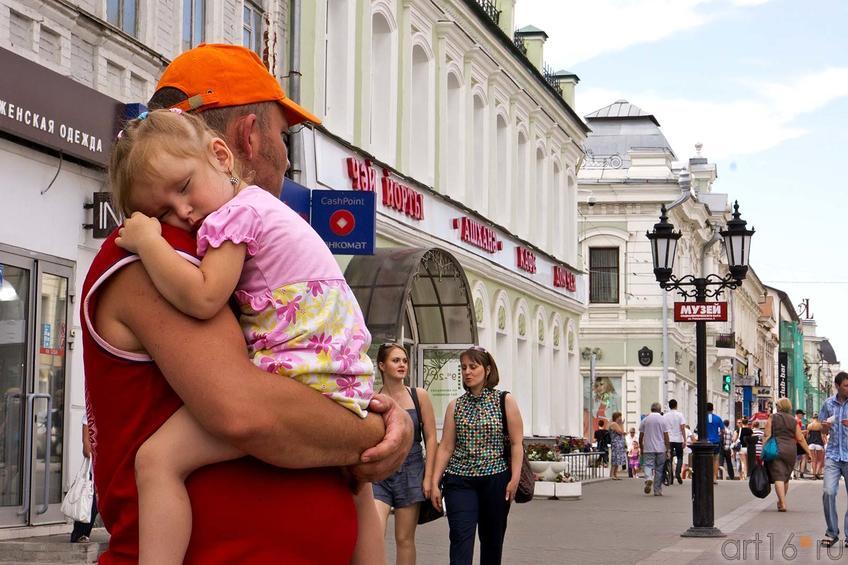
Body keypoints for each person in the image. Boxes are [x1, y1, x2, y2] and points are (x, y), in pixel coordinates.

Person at [82, 43, 413, 564]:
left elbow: (300, 382)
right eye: (283, 136)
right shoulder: (161, 255)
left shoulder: (238, 247)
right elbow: (245, 413)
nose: (285, 155)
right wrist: (372, 432)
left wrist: (387, 425)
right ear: (248, 136)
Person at [430, 347, 524, 565]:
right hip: (459, 481)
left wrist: (515, 479)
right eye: (463, 367)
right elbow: (446, 447)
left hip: (495, 479)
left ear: (487, 369)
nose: (467, 372)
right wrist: (435, 482)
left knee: (492, 542)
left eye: (473, 366)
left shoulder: (504, 400)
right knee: (460, 538)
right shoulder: (456, 405)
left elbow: (518, 443)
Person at [373, 343, 438, 564]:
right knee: (374, 535)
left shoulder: (418, 396)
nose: (402, 365)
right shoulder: (373, 399)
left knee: (404, 538)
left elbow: (431, 438)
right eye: (396, 360)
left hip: (412, 470)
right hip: (380, 474)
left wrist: (429, 478)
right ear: (382, 365)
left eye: (404, 361)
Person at [764, 397, 811, 512]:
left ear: (778, 407)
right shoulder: (793, 420)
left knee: (778, 476)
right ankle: (781, 501)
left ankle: (783, 503)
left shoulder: (773, 417)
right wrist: (808, 452)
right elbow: (800, 438)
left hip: (776, 448)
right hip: (791, 449)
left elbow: (767, 434)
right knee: (785, 477)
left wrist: (764, 448)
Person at [819, 372, 848, 548]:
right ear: (837, 386)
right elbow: (822, 428)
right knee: (828, 492)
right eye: (846, 385)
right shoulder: (828, 403)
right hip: (833, 455)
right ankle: (832, 532)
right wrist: (824, 426)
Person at [69, 420, 98, 543]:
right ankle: (80, 534)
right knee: (90, 500)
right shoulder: (90, 412)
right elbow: (86, 449)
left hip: (112, 463)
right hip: (97, 463)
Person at [638, 402, 670, 496]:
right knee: (659, 469)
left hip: (648, 447)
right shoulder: (663, 420)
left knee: (648, 465)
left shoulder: (645, 419)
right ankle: (657, 490)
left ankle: (648, 478)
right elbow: (666, 436)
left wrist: (641, 446)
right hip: (661, 448)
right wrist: (668, 448)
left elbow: (641, 435)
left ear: (651, 409)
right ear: (659, 410)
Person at [663, 399, 686, 484]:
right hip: (678, 439)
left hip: (669, 439)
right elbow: (682, 428)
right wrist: (684, 439)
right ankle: (677, 472)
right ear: (676, 405)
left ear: (669, 406)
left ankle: (670, 475)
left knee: (669, 457)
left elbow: (663, 428)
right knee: (680, 457)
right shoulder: (680, 415)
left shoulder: (665, 416)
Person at [703, 403, 726, 485]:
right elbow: (723, 431)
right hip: (716, 441)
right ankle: (714, 478)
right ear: (713, 408)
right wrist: (719, 436)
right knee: (716, 459)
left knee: (705, 459)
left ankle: (706, 477)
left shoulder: (702, 418)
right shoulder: (717, 418)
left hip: (706, 442)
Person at [609, 412, 627, 480]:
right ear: (617, 417)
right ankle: (612, 474)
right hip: (616, 444)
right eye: (620, 416)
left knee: (618, 460)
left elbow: (622, 432)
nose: (621, 418)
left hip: (619, 444)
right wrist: (621, 424)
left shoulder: (617, 424)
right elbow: (620, 432)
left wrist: (621, 424)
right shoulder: (614, 424)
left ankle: (615, 474)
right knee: (615, 459)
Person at [807, 415, 825, 480]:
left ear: (813, 418)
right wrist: (825, 443)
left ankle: (814, 475)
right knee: (820, 460)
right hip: (819, 444)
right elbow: (822, 436)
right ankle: (817, 473)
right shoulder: (820, 425)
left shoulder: (809, 425)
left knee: (813, 460)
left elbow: (807, 435)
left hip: (811, 443)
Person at [794, 409, 808, 479]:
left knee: (796, 458)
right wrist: (805, 431)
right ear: (798, 414)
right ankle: (799, 473)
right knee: (802, 457)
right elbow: (798, 432)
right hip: (798, 441)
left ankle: (795, 473)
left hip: (794, 441)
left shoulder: (793, 420)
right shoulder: (798, 421)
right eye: (802, 414)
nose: (802, 416)